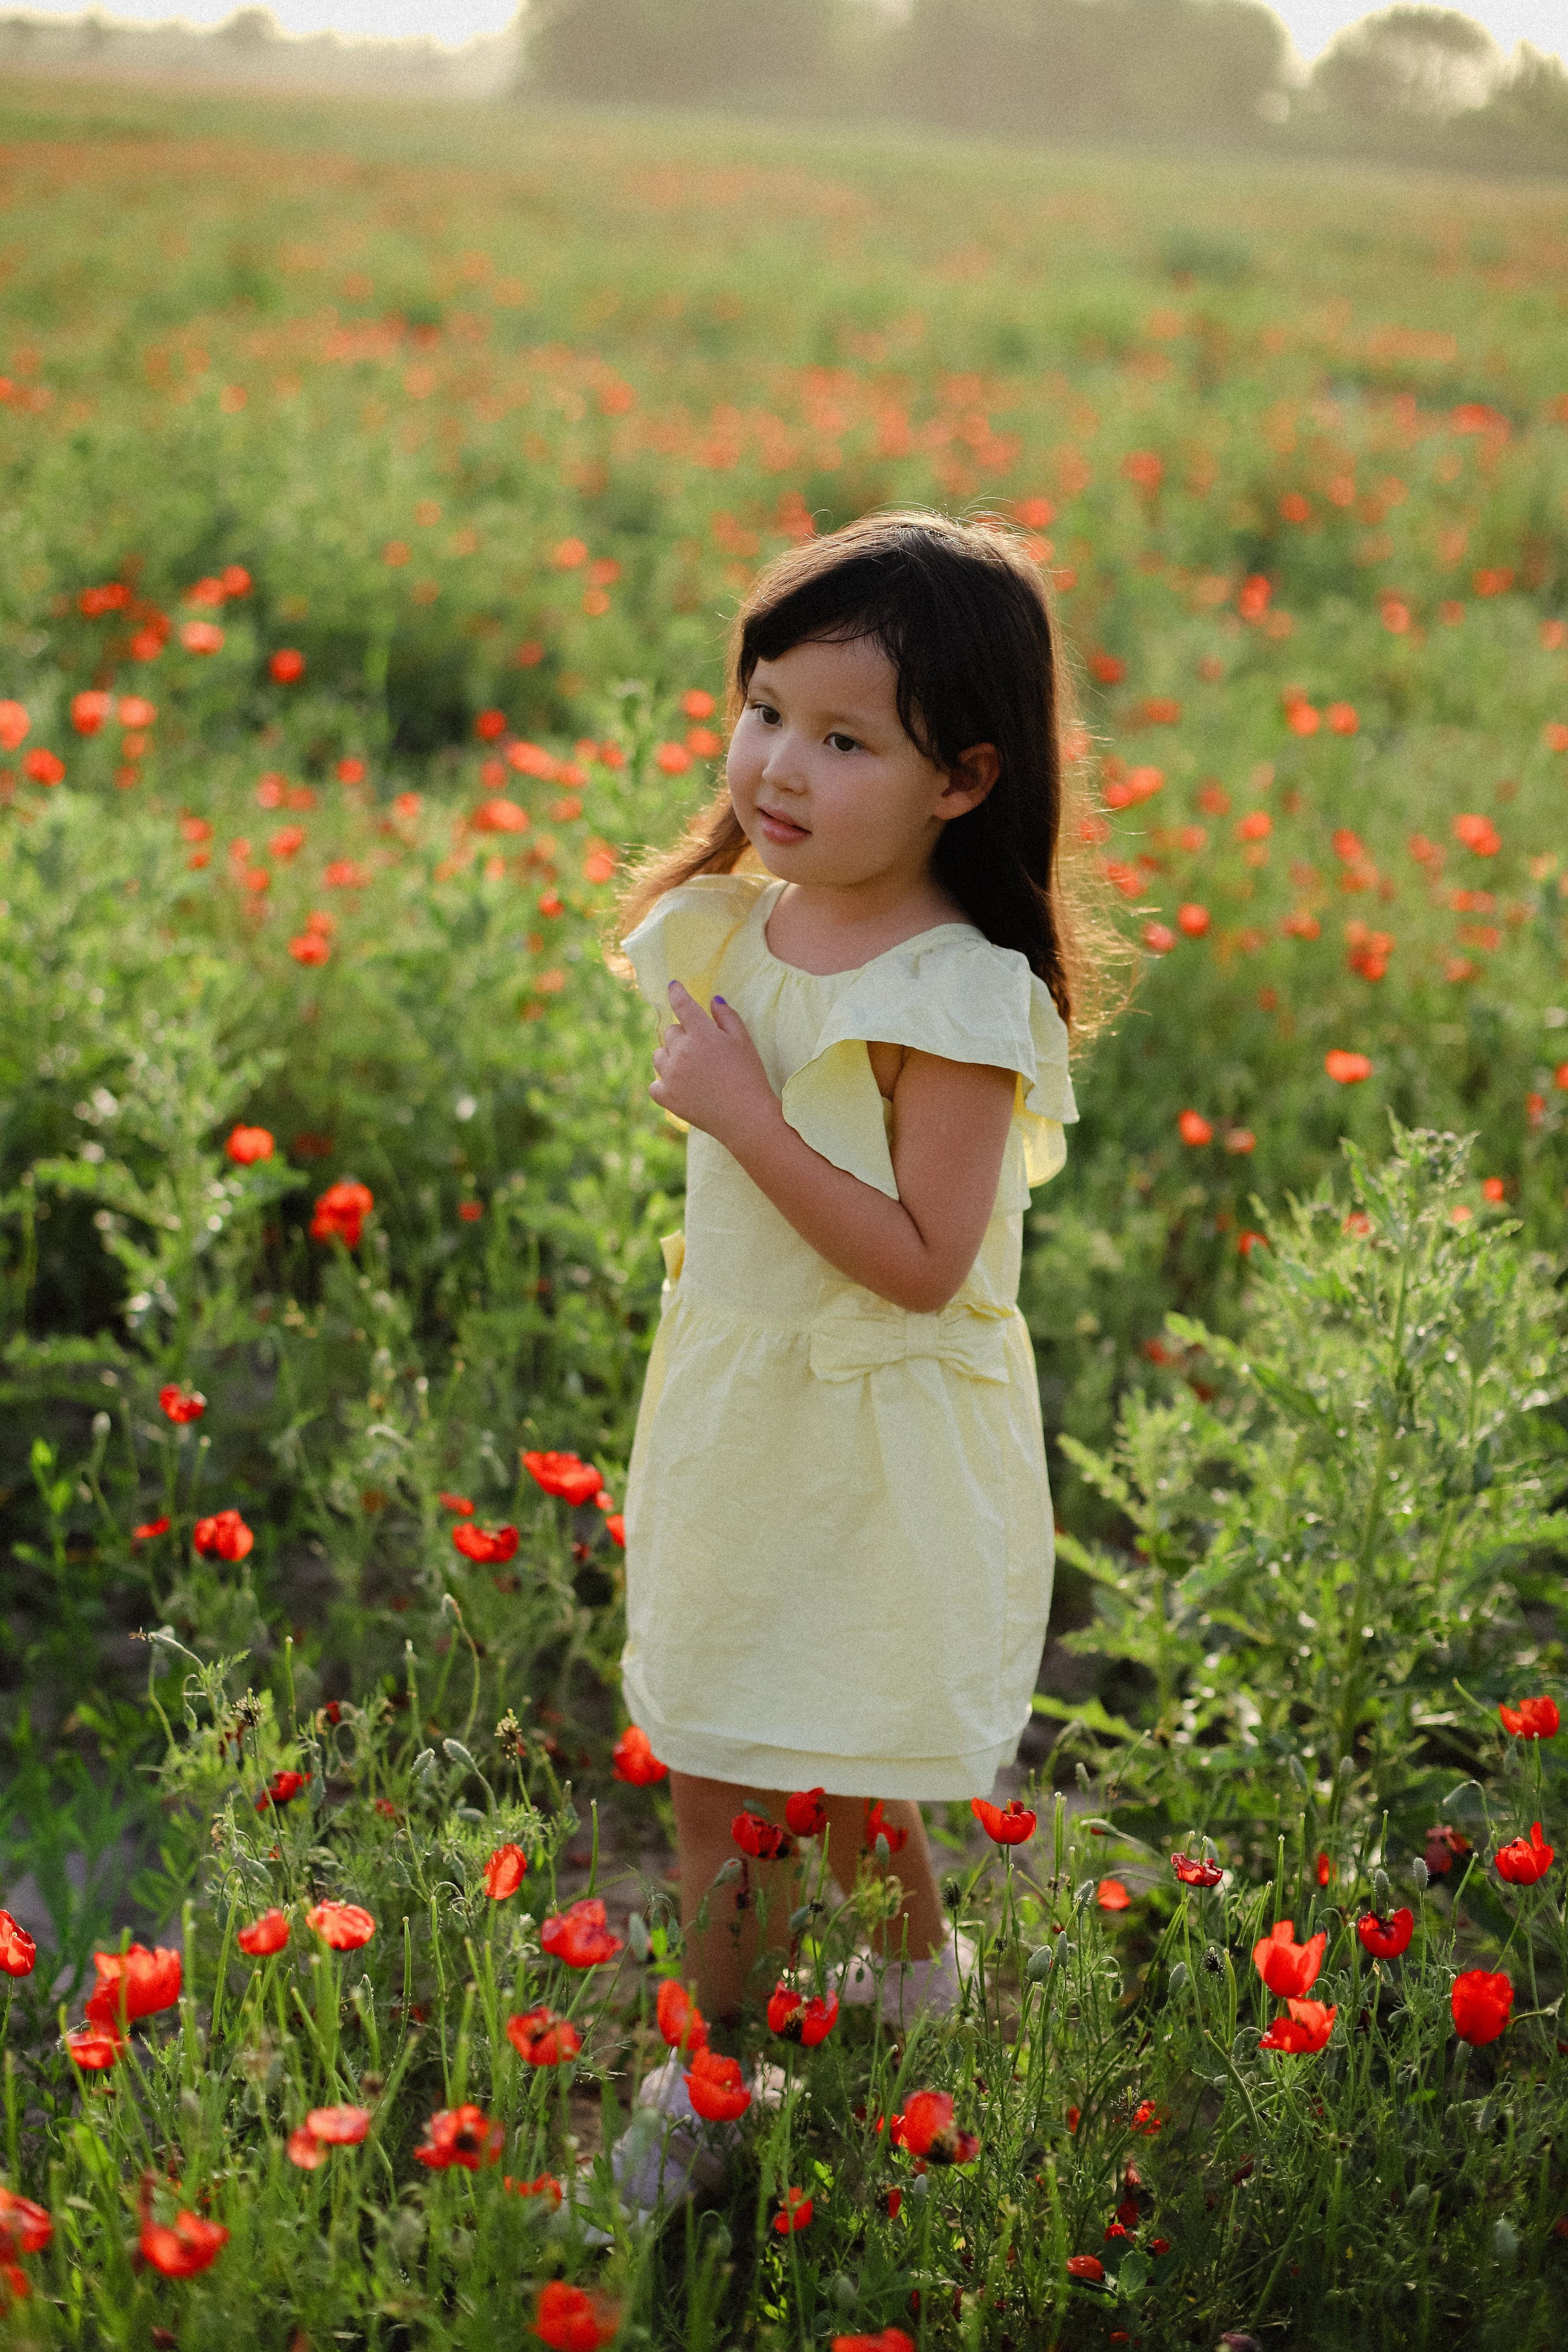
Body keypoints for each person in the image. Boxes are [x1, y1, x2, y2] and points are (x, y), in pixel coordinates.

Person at [603, 508, 1111, 2220]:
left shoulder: (952, 998)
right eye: (761, 712)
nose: (777, 765)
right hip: (746, 1405)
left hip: (875, 1430)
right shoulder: (745, 927)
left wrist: (747, 1119)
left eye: (841, 739)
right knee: (755, 1727)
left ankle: (714, 2077)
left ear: (965, 779)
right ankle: (913, 1969)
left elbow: (921, 1265)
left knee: (777, 1751)